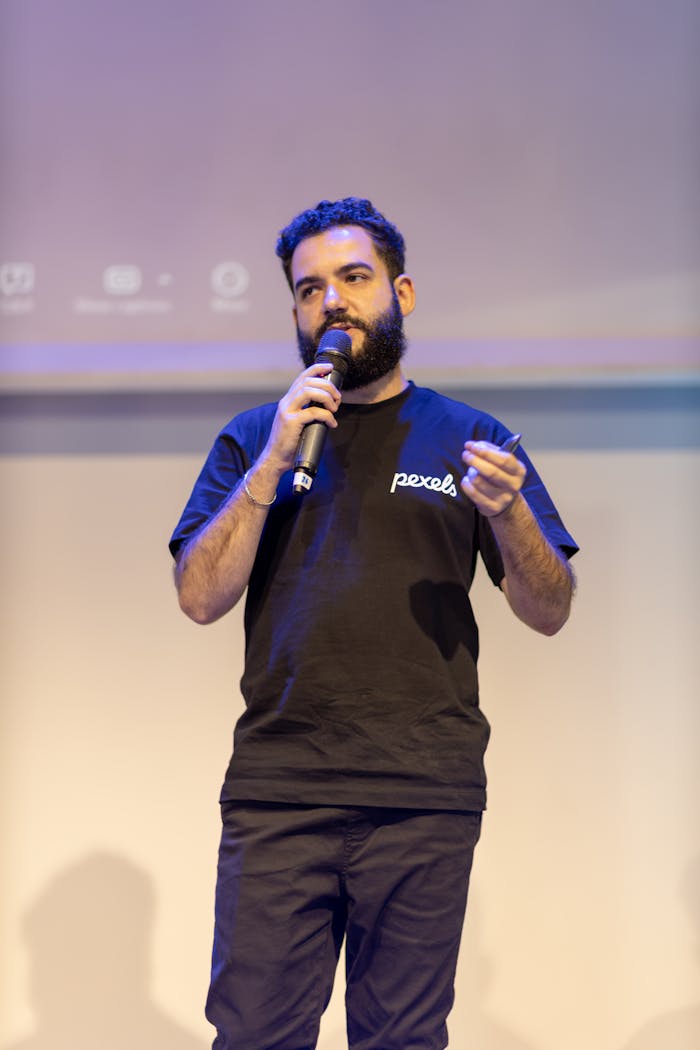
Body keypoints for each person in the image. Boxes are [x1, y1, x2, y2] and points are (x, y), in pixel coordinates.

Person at [169, 197, 578, 1050]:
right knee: (252, 1038)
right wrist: (273, 465)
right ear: (294, 311)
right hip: (281, 793)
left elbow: (549, 609)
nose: (333, 302)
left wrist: (510, 517)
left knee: (401, 1041)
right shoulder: (255, 439)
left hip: (421, 793)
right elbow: (199, 596)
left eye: (354, 279)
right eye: (310, 288)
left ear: (403, 292)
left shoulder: (473, 438)